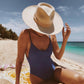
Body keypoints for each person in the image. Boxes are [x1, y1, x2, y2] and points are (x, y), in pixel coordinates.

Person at [15, 2, 84, 84]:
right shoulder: (26, 34)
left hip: (54, 70)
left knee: (81, 79)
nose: (43, 31)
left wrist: (65, 39)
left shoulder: (51, 34)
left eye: (45, 28)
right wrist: (17, 81)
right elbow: (19, 60)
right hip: (38, 77)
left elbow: (58, 56)